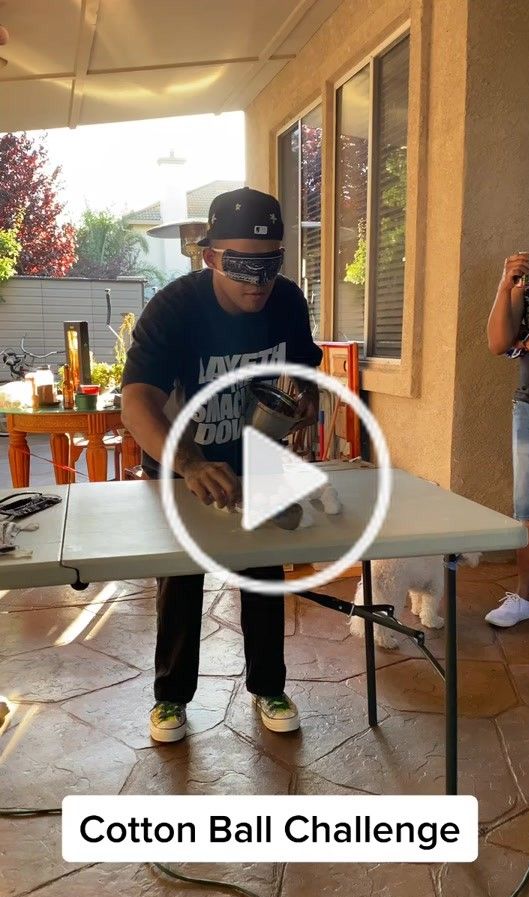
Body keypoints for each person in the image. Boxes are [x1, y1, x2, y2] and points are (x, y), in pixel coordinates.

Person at [121, 187, 322, 742]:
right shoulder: (176, 308)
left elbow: (303, 366)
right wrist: (187, 462)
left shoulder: (286, 301)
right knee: (182, 580)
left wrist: (305, 398)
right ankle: (171, 698)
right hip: (179, 461)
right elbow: (135, 399)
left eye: (269, 264)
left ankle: (268, 686)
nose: (257, 281)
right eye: (241, 265)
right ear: (210, 257)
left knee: (262, 571)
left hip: (252, 458)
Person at [486, 250, 529, 627]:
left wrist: (525, 335)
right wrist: (506, 287)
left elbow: (517, 338)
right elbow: (497, 341)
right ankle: (525, 598)